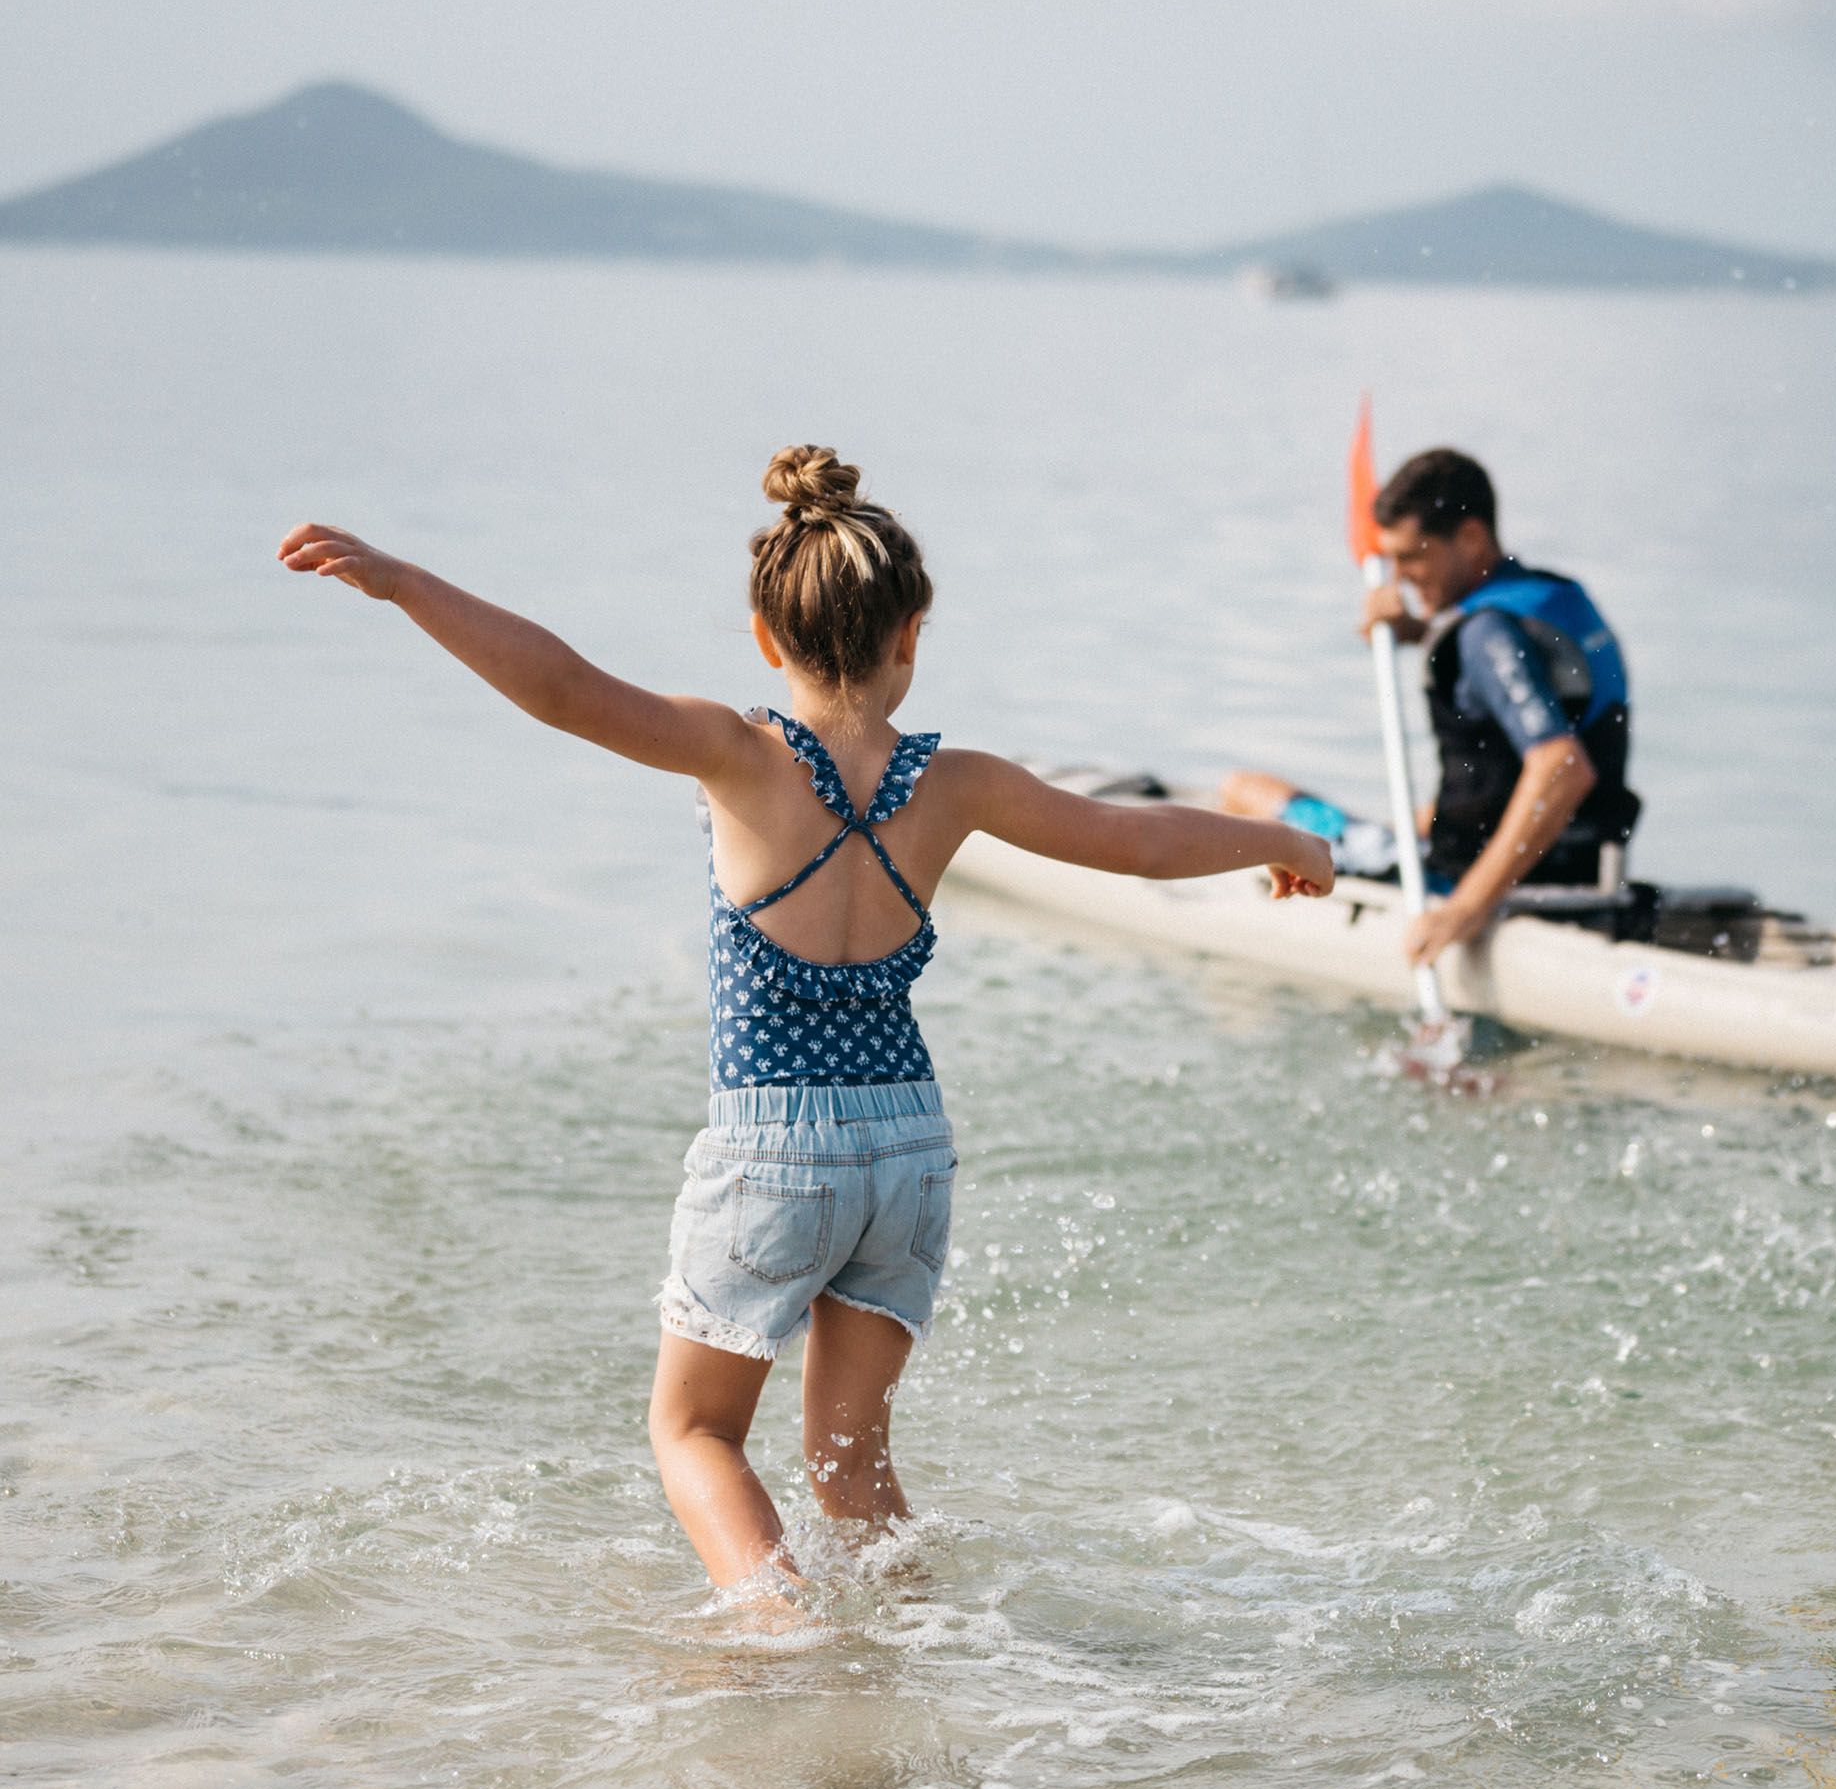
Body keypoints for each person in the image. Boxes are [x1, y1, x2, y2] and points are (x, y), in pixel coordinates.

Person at [277, 446, 1334, 1589]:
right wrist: (1282, 841)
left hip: (776, 1148)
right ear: (911, 637)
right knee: (850, 1465)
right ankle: (918, 1645)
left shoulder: (736, 755)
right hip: (909, 1151)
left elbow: (566, 692)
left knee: (695, 1434)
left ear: (765, 639)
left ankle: (780, 1633)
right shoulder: (959, 783)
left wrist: (405, 584)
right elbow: (1135, 843)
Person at [1221, 447, 1638, 967]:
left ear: (1470, 538)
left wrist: (1462, 910)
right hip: (1580, 863)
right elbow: (1513, 672)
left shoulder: (1485, 631)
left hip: (1466, 879)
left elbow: (1562, 767)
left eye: (1411, 556)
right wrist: (1417, 633)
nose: (1399, 578)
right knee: (1418, 817)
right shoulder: (1553, 599)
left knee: (1243, 791)